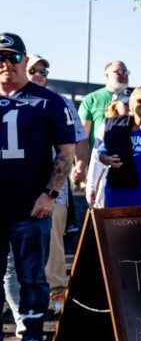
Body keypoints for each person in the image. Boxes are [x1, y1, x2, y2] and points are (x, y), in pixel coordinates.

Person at [0, 33, 76, 341]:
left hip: (31, 206)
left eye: (13, 57)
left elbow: (67, 153)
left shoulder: (48, 101)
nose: (6, 64)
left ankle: (31, 338)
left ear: (25, 60)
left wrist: (50, 194)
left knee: (32, 277)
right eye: (0, 58)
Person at [22, 55, 88, 315]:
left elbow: (79, 138)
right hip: (15, 187)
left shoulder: (59, 101)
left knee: (53, 243)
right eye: (33, 69)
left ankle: (57, 294)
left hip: (53, 187)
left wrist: (80, 165)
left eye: (43, 70)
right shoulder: (9, 99)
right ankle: (19, 300)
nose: (39, 73)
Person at [78, 60, 130, 159]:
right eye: (119, 71)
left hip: (128, 162)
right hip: (97, 161)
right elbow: (82, 137)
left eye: (126, 72)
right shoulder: (91, 99)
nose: (124, 75)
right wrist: (81, 165)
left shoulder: (137, 100)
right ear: (106, 75)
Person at [86, 97, 130, 208]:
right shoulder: (106, 127)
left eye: (132, 102)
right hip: (110, 189)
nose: (130, 106)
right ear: (115, 105)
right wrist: (91, 186)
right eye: (125, 103)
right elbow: (96, 158)